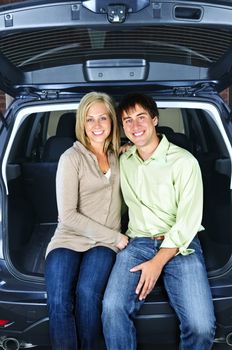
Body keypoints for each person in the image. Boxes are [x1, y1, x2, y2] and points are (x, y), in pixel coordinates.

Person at [102, 93, 216, 350]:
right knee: (112, 311)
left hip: (180, 245)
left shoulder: (184, 162)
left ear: (155, 119)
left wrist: (156, 263)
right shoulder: (123, 160)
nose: (135, 126)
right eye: (127, 120)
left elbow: (188, 221)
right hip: (137, 244)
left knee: (201, 327)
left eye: (141, 117)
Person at [45, 91, 128, 350]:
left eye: (103, 118)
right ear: (82, 123)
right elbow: (67, 215)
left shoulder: (122, 156)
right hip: (69, 238)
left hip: (102, 245)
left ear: (112, 121)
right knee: (59, 299)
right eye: (90, 119)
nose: (97, 125)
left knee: (87, 294)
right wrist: (116, 237)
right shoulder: (71, 158)